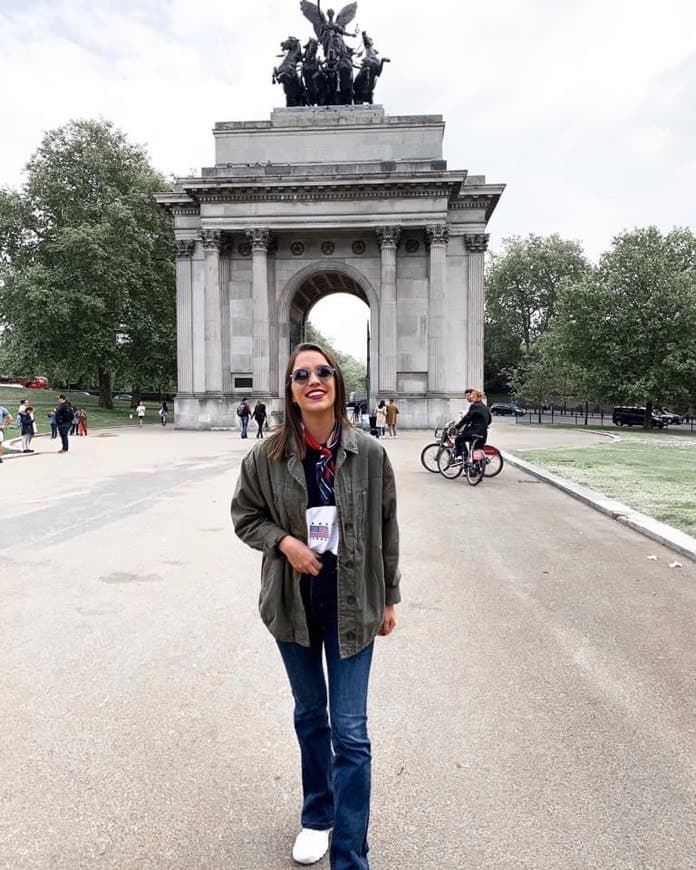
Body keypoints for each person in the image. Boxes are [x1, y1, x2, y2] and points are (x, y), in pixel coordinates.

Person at [231, 342, 400, 870]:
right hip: (293, 603)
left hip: (355, 605)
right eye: (301, 374)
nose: (313, 380)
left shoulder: (370, 452)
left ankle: (350, 854)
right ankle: (317, 816)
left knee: (351, 733)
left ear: (337, 382)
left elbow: (387, 527)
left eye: (323, 370)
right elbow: (245, 516)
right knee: (310, 718)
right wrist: (285, 543)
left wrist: (390, 597)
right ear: (290, 389)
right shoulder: (266, 455)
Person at [454, 388, 492, 462]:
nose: (471, 398)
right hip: (483, 434)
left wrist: (457, 426)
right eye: (471, 396)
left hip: (474, 433)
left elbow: (467, 418)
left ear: (478, 397)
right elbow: (489, 420)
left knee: (458, 439)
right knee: (475, 449)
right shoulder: (485, 407)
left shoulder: (474, 406)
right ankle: (476, 470)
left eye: (473, 396)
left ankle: (460, 456)